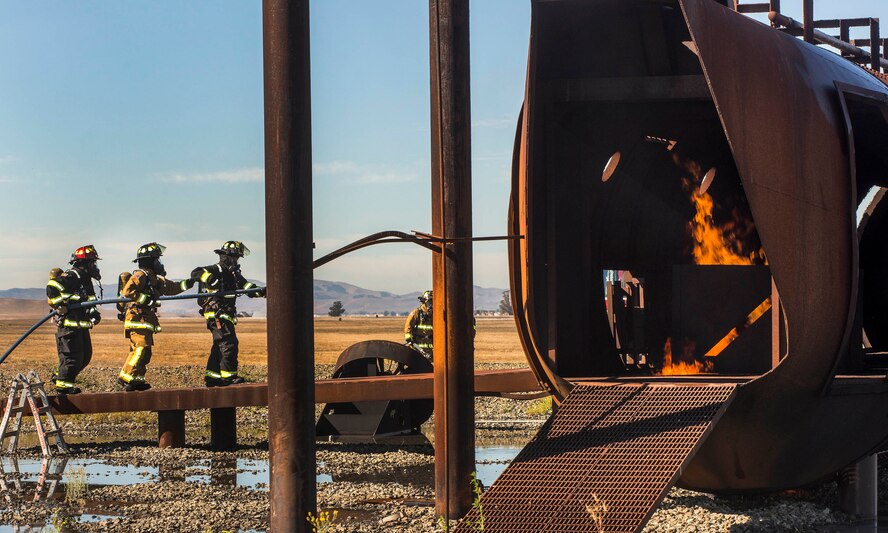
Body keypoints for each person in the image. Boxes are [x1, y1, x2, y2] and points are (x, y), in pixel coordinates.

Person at [117, 243, 194, 391]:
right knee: (141, 349)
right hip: (137, 319)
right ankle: (125, 376)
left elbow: (173, 288)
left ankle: (137, 380)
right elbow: (128, 291)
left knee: (145, 353)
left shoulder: (154, 280)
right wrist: (145, 299)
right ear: (150, 262)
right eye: (157, 260)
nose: (159, 263)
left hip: (145, 320)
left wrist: (190, 282)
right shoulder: (140, 275)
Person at [191, 241, 265, 387]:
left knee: (219, 345)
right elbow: (195, 272)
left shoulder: (234, 274)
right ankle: (228, 377)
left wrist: (263, 291)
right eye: (236, 258)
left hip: (225, 314)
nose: (237, 261)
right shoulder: (215, 269)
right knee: (229, 344)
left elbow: (247, 287)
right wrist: (210, 279)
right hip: (217, 314)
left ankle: (212, 377)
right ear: (228, 257)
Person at [46, 245, 102, 394]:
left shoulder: (85, 279)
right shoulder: (72, 276)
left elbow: (90, 299)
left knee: (85, 358)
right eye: (92, 263)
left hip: (81, 325)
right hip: (69, 326)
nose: (94, 266)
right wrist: (60, 305)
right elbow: (52, 286)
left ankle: (61, 376)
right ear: (84, 264)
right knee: (72, 358)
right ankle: (63, 387)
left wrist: (93, 312)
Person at [404, 290, 433, 359]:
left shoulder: (435, 314)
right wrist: (408, 339)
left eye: (433, 301)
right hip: (417, 347)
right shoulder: (416, 313)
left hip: (431, 348)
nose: (431, 304)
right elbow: (408, 326)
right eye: (429, 301)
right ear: (424, 302)